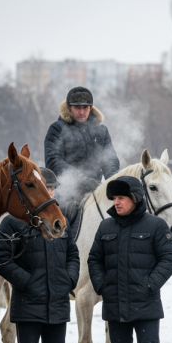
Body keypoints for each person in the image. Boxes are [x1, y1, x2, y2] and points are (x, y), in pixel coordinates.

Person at [87, 176, 172, 343]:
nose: (116, 202)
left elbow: (170, 259)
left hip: (146, 305)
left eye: (121, 198)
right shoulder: (106, 227)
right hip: (115, 304)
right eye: (114, 198)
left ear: (135, 198)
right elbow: (94, 259)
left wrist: (150, 284)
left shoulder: (156, 226)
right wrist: (102, 285)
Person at [0, 167, 79, 343]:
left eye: (52, 188)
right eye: (45, 187)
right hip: (28, 301)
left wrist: (69, 280)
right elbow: (1, 260)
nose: (49, 192)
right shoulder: (12, 222)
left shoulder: (59, 218)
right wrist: (28, 282)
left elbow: (72, 254)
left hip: (58, 301)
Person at [44, 86, 120, 239]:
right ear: (69, 108)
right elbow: (53, 160)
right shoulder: (57, 129)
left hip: (96, 190)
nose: (81, 111)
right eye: (77, 107)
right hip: (67, 193)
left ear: (91, 108)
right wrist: (81, 180)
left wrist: (112, 184)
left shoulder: (102, 130)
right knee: (62, 228)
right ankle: (62, 252)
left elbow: (110, 159)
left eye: (85, 107)